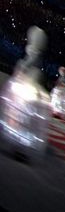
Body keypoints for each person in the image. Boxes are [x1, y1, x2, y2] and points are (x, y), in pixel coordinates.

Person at [0, 26, 51, 156]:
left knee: (21, 115)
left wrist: (22, 69)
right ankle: (19, 144)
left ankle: (20, 145)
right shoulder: (33, 52)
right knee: (20, 115)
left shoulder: (34, 54)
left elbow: (28, 65)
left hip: (27, 85)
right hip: (26, 85)